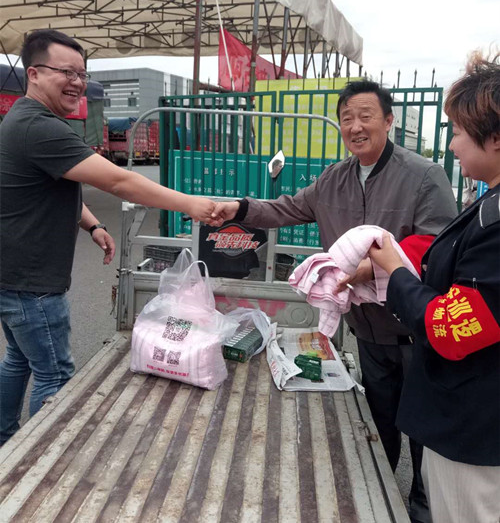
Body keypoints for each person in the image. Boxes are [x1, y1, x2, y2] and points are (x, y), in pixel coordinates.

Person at [212, 79, 458, 522]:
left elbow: (436, 246)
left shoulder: (423, 176)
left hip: (416, 330)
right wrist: (240, 209)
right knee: (380, 420)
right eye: (347, 118)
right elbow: (286, 208)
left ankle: (423, 510)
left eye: (366, 116)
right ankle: (379, 501)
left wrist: (370, 269)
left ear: (389, 120)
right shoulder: (334, 179)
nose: (355, 126)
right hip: (368, 329)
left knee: (424, 430)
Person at [0, 29, 221, 445]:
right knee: (54, 373)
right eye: (66, 72)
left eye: (82, 74)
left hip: (13, 277)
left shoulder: (23, 120)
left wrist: (93, 225)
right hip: (32, 283)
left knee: (19, 360)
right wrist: (189, 204)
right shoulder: (38, 127)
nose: (77, 83)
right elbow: (119, 181)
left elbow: (50, 185)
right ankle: (42, 460)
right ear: (34, 73)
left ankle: (5, 439)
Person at [368, 53, 500, 523]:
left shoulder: (495, 222)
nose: (453, 143)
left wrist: (394, 271)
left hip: (473, 429)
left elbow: (454, 328)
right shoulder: (487, 205)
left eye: (459, 131)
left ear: (496, 137)